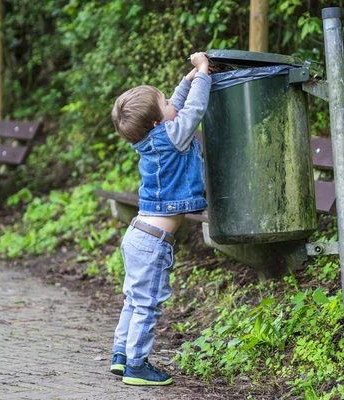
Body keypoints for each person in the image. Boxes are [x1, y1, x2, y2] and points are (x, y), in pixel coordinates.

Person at [108, 52, 212, 386]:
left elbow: (174, 108)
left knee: (133, 301)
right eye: (166, 101)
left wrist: (187, 80)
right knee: (148, 305)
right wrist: (204, 73)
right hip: (152, 243)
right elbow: (193, 111)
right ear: (157, 121)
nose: (172, 103)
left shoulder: (151, 137)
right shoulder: (172, 136)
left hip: (139, 235)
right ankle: (137, 366)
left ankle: (121, 355)